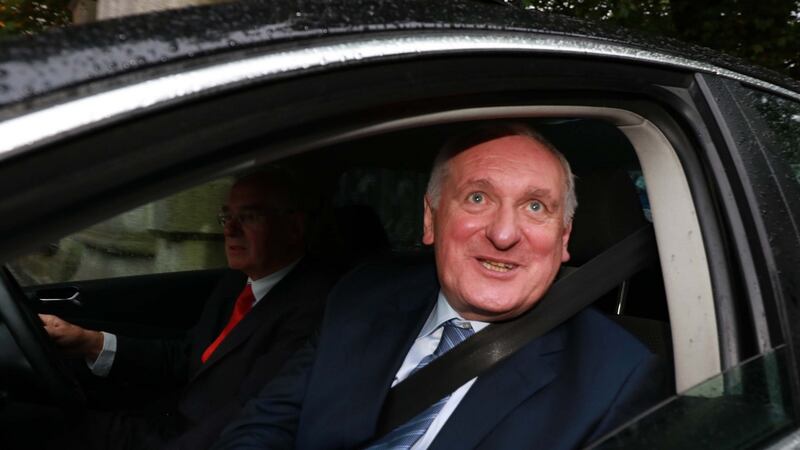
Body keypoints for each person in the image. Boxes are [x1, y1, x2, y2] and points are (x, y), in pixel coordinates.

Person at [211, 123, 666, 450]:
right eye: (477, 197)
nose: (504, 233)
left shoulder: (617, 379)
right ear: (430, 220)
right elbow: (264, 424)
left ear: (563, 238)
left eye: (534, 206)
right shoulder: (363, 297)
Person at [40, 168, 338, 449]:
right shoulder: (238, 281)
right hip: (163, 418)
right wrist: (91, 342)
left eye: (248, 216)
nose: (231, 229)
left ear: (294, 228)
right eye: (227, 216)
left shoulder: (312, 309)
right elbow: (189, 356)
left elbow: (251, 413)